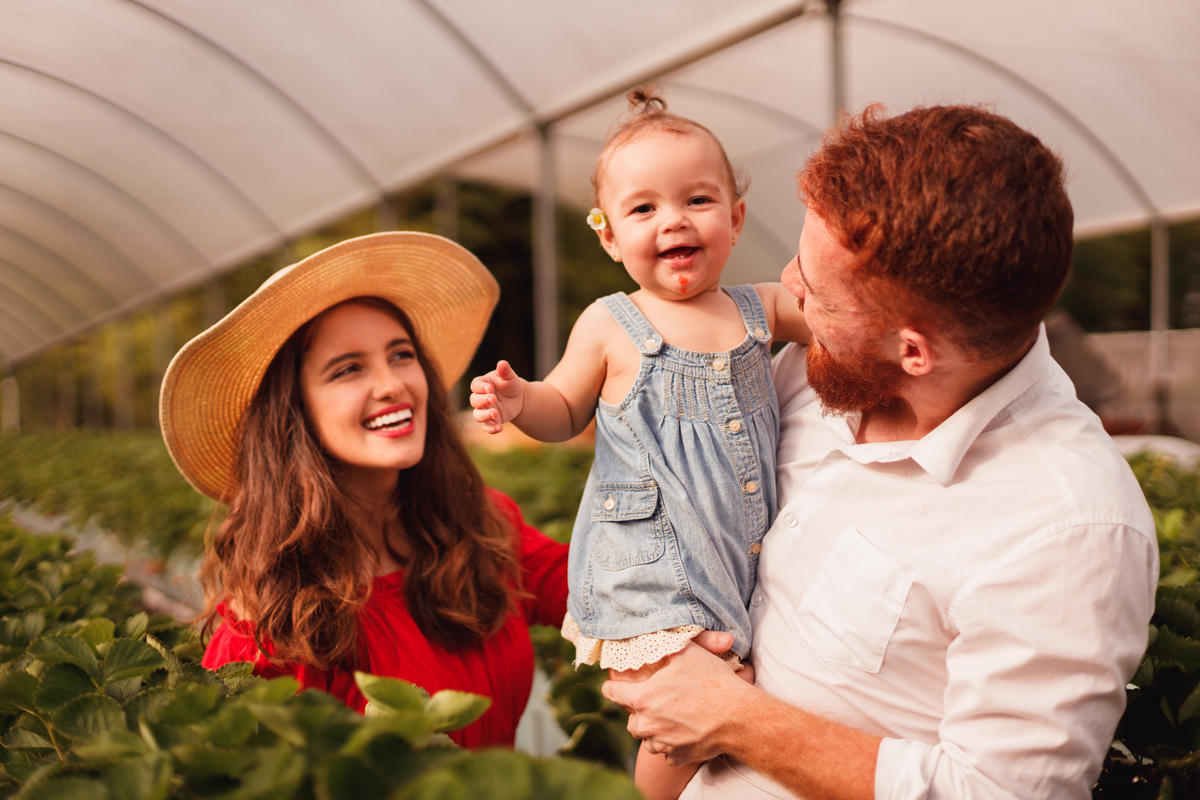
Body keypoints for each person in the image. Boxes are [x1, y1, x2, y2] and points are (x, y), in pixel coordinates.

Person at [601, 105, 1159, 800]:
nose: (786, 285)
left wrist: (734, 718)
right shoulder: (810, 377)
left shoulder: (1068, 525)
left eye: (818, 293)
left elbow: (999, 792)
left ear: (914, 351)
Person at [469, 86, 808, 797]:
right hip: (651, 569)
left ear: (736, 218)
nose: (673, 221)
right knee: (680, 713)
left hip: (742, 556)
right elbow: (563, 407)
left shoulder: (762, 309)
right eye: (644, 208)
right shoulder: (610, 323)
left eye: (698, 201)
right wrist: (518, 398)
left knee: (737, 705)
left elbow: (837, 330)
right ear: (610, 237)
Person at [159, 232, 569, 748]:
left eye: (401, 355)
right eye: (348, 368)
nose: (393, 383)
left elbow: (605, 587)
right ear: (294, 411)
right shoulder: (271, 631)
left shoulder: (485, 525)